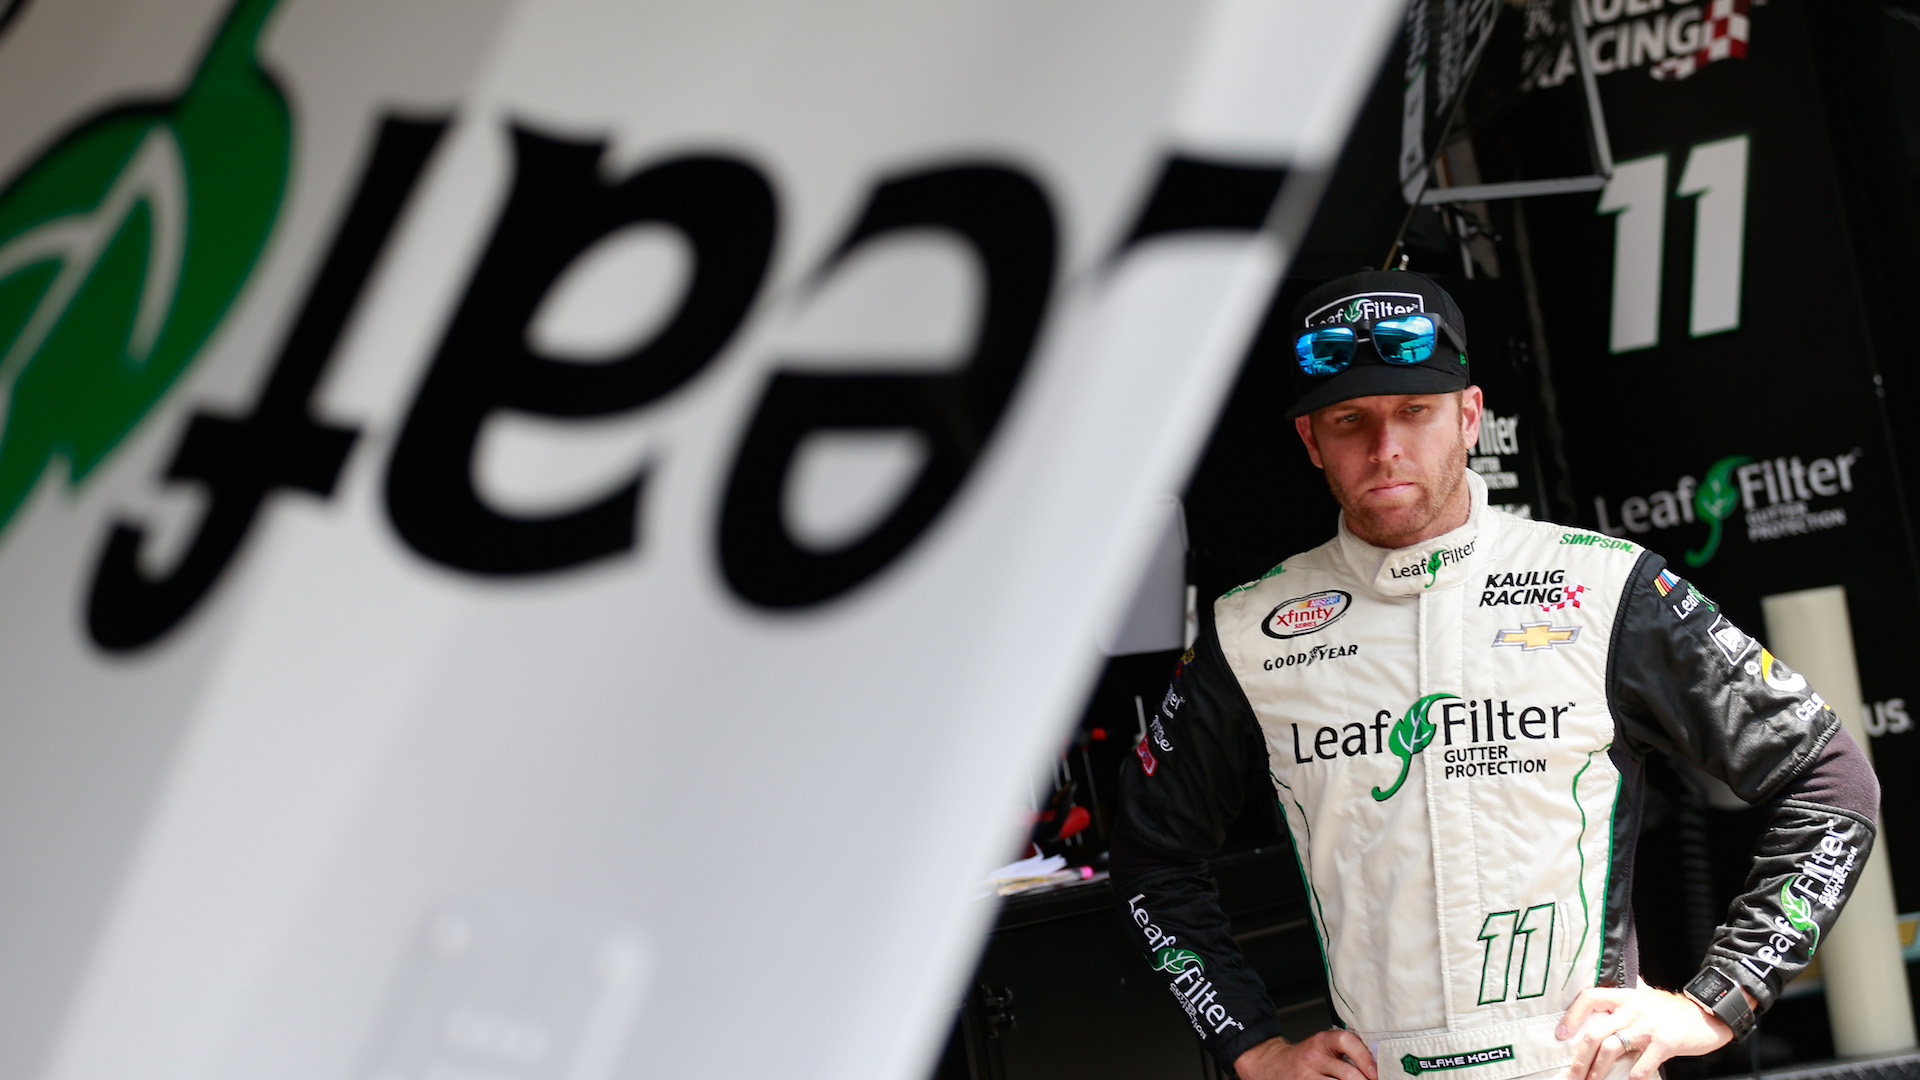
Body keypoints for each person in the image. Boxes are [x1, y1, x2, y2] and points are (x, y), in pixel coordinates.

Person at [1109, 270, 1881, 1080]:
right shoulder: (1249, 630)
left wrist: (1716, 1002)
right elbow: (1150, 858)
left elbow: (1832, 782)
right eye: (1349, 420)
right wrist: (1250, 1046)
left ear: (1470, 416)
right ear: (1310, 440)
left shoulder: (1605, 586)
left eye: (1415, 411)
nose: (1385, 447)